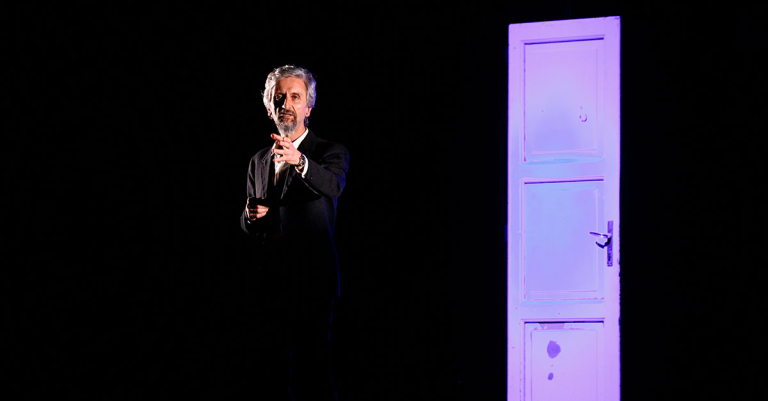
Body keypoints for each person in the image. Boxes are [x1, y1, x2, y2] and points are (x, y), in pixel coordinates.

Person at [241, 65, 348, 401]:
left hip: (312, 281)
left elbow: (332, 186)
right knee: (271, 374)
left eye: (295, 97)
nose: (286, 103)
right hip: (269, 282)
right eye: (279, 97)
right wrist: (248, 216)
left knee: (314, 372)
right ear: (269, 107)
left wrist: (300, 161)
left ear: (308, 108)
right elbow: (249, 219)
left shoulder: (328, 152)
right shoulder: (258, 160)